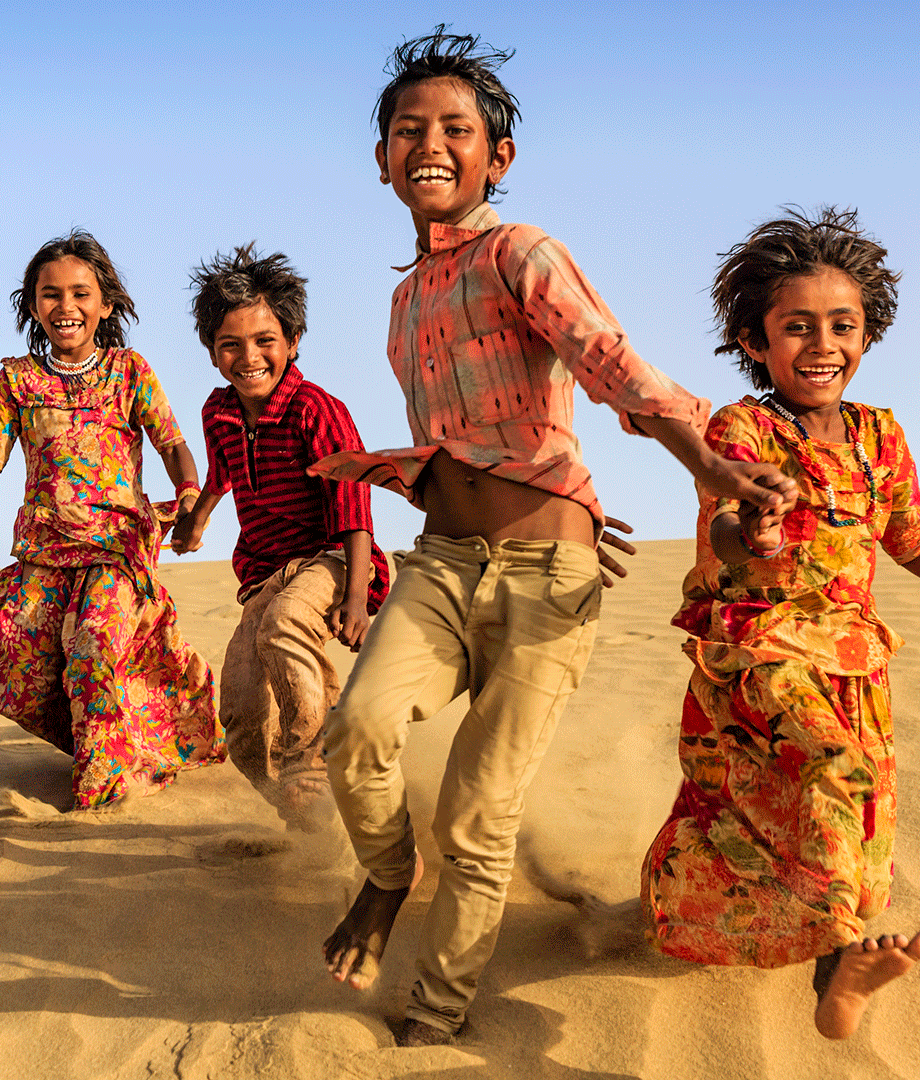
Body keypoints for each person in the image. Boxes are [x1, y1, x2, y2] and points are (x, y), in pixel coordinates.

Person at [307, 30, 799, 1046]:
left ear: (499, 155)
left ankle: (433, 1016)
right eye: (408, 130)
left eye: (456, 128)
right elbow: (466, 442)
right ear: (381, 159)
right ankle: (387, 879)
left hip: (546, 574)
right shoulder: (402, 305)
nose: (430, 145)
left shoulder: (521, 252)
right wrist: (388, 467)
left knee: (480, 815)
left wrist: (706, 463)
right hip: (440, 566)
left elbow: (609, 362)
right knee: (356, 732)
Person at [640, 207, 920, 1039]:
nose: (821, 344)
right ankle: (841, 965)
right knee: (836, 772)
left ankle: (675, 901)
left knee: (842, 822)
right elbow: (723, 521)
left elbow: (912, 538)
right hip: (760, 648)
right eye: (797, 327)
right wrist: (749, 531)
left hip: (853, 658)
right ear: (756, 342)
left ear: (868, 335)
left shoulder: (878, 436)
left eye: (842, 325)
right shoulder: (745, 427)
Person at [0, 229, 225, 810]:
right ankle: (112, 744)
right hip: (47, 547)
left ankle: (102, 794)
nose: (65, 307)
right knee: (14, 644)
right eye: (50, 294)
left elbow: (172, 443)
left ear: (105, 304)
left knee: (95, 645)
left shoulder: (128, 370)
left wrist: (190, 493)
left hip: (116, 546)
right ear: (33, 304)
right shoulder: (16, 379)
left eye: (79, 294)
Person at [169, 244, 388, 831]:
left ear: (292, 341)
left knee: (286, 624)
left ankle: (311, 759)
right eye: (231, 344)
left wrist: (355, 597)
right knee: (239, 715)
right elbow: (221, 472)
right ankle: (305, 818)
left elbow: (354, 504)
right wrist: (196, 521)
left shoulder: (318, 410)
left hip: (335, 558)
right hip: (264, 572)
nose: (249, 356)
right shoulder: (218, 412)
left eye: (265, 340)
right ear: (213, 353)